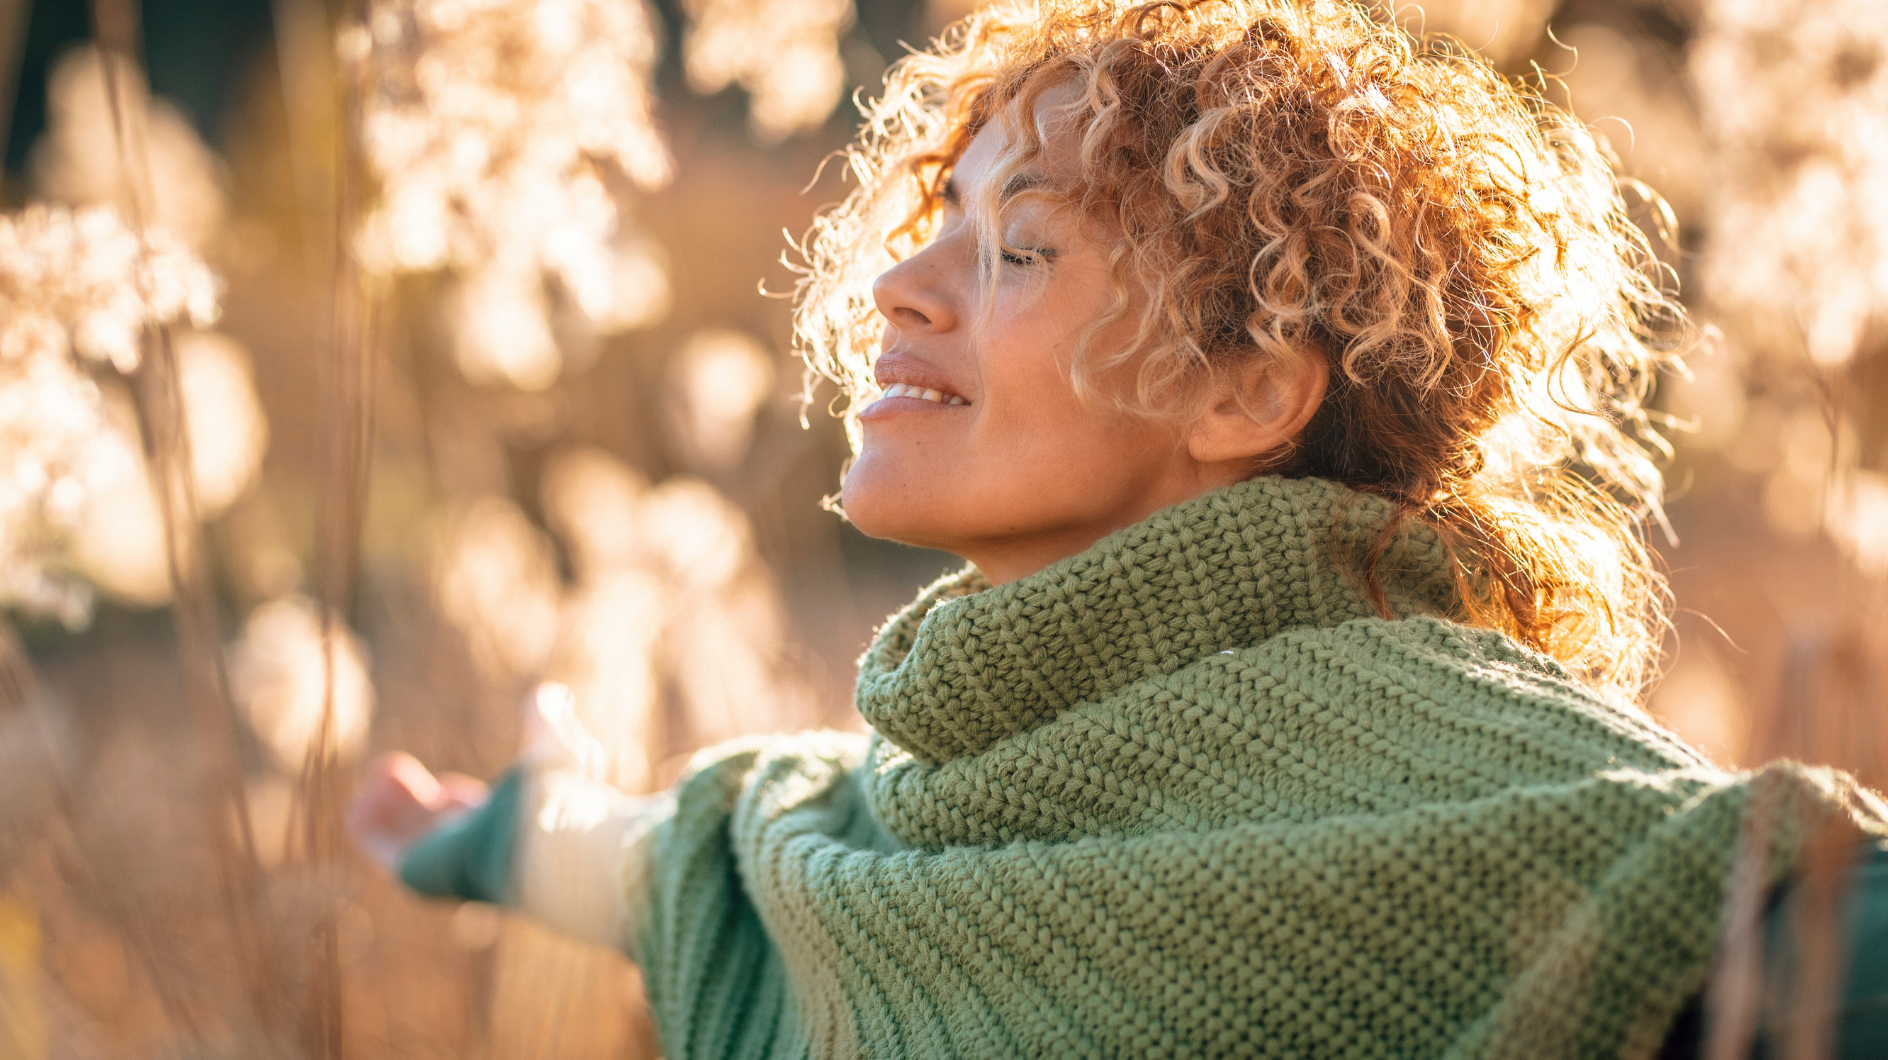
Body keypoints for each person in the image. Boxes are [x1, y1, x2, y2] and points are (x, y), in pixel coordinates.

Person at [347, 0, 1888, 1055]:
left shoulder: (1460, 753)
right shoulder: (888, 812)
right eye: (932, 224)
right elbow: (707, 863)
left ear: (1244, 391)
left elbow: (1769, 906)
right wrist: (502, 837)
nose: (900, 287)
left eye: (1018, 246)